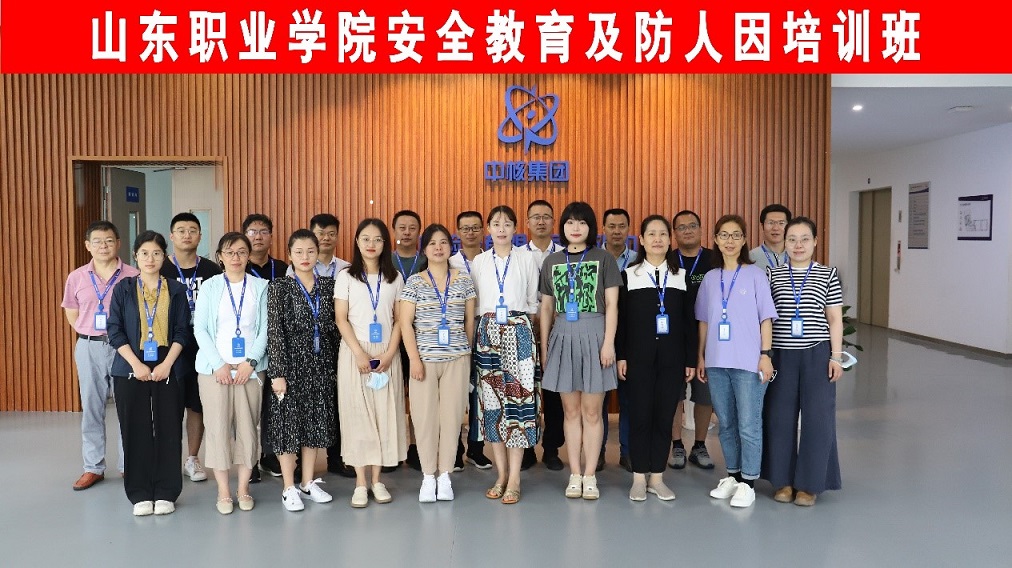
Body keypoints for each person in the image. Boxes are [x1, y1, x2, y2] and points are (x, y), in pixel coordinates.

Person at [539, 202, 621, 500]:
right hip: (563, 336)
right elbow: (546, 308)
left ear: (591, 227)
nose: (576, 228)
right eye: (570, 222)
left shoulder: (604, 258)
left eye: (582, 222)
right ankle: (574, 473)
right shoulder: (552, 261)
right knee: (570, 411)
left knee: (592, 411)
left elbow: (612, 304)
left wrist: (608, 343)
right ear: (562, 226)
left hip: (595, 335)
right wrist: (545, 347)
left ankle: (590, 475)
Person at [696, 215, 777, 509]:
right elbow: (704, 321)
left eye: (736, 235)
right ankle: (732, 475)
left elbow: (766, 318)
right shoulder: (709, 278)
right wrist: (701, 356)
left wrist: (766, 355)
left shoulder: (756, 275)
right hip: (717, 362)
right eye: (724, 235)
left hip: (748, 363)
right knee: (727, 424)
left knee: (748, 424)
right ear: (715, 240)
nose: (729, 241)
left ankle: (748, 482)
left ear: (744, 240)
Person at [762, 216, 844, 507]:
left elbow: (834, 319)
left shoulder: (828, 274)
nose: (798, 245)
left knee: (818, 419)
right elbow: (765, 319)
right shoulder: (772, 275)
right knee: (779, 418)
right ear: (784, 242)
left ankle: (810, 484)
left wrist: (836, 357)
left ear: (815, 242)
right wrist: (765, 355)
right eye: (792, 239)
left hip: (817, 354)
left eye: (805, 239)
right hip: (781, 356)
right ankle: (782, 481)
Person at [107, 231, 190, 516]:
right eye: (144, 253)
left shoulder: (176, 289)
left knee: (169, 428)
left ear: (164, 256)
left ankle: (167, 491)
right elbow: (115, 330)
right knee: (135, 429)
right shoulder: (124, 289)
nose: (150, 259)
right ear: (135, 256)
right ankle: (139, 492)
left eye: (156, 253)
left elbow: (182, 330)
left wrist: (167, 365)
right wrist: (136, 364)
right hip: (130, 366)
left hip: (169, 365)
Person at [616, 215, 696, 501]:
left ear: (669, 239)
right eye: (651, 234)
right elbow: (622, 322)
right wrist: (622, 356)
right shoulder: (630, 275)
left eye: (663, 234)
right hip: (638, 358)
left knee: (664, 416)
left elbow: (689, 322)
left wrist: (690, 359)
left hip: (672, 360)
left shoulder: (681, 276)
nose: (658, 239)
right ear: (641, 239)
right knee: (640, 416)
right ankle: (639, 477)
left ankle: (658, 478)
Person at [192, 232, 269, 514]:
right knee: (218, 429)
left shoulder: (261, 287)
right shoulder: (210, 287)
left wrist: (251, 361)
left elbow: (266, 329)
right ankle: (224, 491)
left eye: (241, 252)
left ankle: (243, 488)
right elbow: (200, 328)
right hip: (215, 372)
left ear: (248, 256)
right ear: (220, 257)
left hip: (251, 371)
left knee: (249, 429)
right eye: (229, 252)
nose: (236, 257)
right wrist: (218, 364)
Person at [399, 224, 476, 503]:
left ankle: (445, 476)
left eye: (443, 242)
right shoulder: (414, 282)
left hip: (456, 359)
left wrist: (465, 352)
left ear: (450, 247)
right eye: (432, 243)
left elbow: (469, 321)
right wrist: (414, 360)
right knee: (424, 420)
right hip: (424, 361)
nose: (438, 247)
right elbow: (405, 323)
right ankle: (428, 476)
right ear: (424, 249)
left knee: (452, 419)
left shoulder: (463, 280)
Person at [334, 219, 407, 508]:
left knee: (384, 416)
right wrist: (359, 354)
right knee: (357, 417)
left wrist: (389, 354)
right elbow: (341, 318)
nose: (371, 244)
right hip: (356, 352)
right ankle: (360, 483)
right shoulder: (346, 277)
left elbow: (400, 319)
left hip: (387, 353)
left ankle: (377, 480)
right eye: (365, 238)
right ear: (357, 241)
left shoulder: (395, 278)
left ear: (385, 243)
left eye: (377, 239)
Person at [470, 205, 540, 504]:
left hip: (518, 330)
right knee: (492, 404)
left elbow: (533, 302)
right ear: (488, 228)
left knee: (518, 404)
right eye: (496, 224)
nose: (501, 229)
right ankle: (500, 474)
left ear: (515, 228)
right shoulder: (479, 261)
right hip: (487, 332)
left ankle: (515, 479)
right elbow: (474, 302)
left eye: (507, 224)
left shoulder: (526, 258)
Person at [62, 221, 139, 490]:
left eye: (108, 240)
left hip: (124, 348)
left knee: (127, 407)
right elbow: (72, 314)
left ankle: (129, 465)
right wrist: (91, 333)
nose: (103, 246)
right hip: (89, 346)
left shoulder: (133, 275)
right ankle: (93, 467)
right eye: (97, 241)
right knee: (91, 407)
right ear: (88, 246)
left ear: (118, 243)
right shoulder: (76, 277)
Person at [266, 229, 339, 512]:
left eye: (310, 251)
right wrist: (277, 373)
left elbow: (335, 328)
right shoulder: (279, 288)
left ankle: (308, 482)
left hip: (321, 364)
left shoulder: (329, 286)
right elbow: (275, 332)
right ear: (289, 255)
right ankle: (288, 487)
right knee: (288, 426)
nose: (305, 257)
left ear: (318, 253)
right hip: (290, 366)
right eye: (298, 252)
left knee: (314, 424)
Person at [285, 213, 352, 478]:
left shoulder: (346, 268)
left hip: (335, 343)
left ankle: (337, 458)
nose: (326, 238)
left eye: (331, 233)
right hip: (303, 350)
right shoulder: (293, 272)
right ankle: (301, 466)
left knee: (335, 403)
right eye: (320, 233)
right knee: (303, 408)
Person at [161, 212, 222, 483]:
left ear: (200, 236)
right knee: (170, 406)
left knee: (197, 405)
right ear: (172, 236)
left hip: (203, 347)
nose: (187, 235)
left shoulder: (211, 270)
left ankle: (192, 458)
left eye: (193, 230)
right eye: (181, 230)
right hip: (169, 348)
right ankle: (169, 459)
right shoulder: (161, 268)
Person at [242, 213, 289, 482]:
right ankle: (247, 459)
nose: (258, 236)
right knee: (247, 405)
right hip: (248, 346)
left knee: (273, 404)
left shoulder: (283, 269)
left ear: (271, 237)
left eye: (263, 231)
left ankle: (269, 455)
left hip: (278, 344)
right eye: (252, 231)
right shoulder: (238, 267)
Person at [669, 210, 716, 470]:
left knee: (704, 394)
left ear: (700, 229)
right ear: (674, 233)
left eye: (692, 226)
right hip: (674, 337)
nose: (687, 231)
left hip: (708, 337)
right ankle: (676, 444)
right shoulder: (667, 260)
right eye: (681, 227)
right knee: (674, 394)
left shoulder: (714, 259)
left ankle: (699, 445)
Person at [523, 199, 564, 472]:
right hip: (525, 330)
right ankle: (526, 449)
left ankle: (551, 449)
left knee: (555, 393)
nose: (541, 221)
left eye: (546, 216)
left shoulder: (565, 254)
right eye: (535, 217)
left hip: (559, 330)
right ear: (527, 223)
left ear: (553, 222)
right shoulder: (517, 256)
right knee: (525, 392)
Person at [450, 210, 492, 471]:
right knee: (456, 389)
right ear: (458, 232)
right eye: (465, 228)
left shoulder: (491, 260)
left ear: (483, 230)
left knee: (482, 390)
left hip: (485, 327)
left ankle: (477, 449)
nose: (471, 233)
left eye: (475, 227)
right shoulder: (450, 261)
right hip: (456, 329)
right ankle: (455, 450)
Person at [601, 208, 635, 472]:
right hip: (599, 335)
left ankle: (628, 451)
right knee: (598, 399)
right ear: (603, 229)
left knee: (629, 399)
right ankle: (598, 451)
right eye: (611, 226)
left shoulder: (637, 262)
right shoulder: (594, 258)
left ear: (628, 229)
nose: (616, 231)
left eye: (621, 226)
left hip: (631, 336)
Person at [392, 209, 425, 471]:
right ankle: (393, 447)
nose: (406, 232)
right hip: (390, 334)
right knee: (392, 393)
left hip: (420, 334)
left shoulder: (427, 259)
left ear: (419, 232)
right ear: (394, 231)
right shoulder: (384, 260)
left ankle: (415, 446)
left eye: (412, 228)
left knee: (417, 394)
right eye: (402, 227)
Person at [749, 204, 792, 270]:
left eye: (781, 223)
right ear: (762, 226)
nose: (775, 228)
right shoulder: (751, 257)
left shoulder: (796, 254)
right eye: (770, 223)